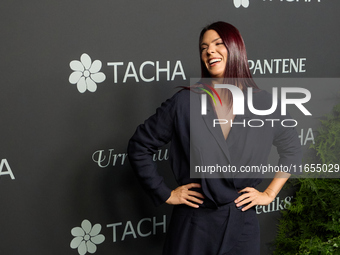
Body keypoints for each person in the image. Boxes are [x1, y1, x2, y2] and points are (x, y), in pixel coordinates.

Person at [128, 21, 301, 255]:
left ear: (236, 48)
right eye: (203, 47)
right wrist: (165, 193)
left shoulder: (266, 104)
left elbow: (292, 149)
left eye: (218, 44)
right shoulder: (185, 102)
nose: (209, 51)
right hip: (193, 222)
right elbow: (140, 145)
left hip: (242, 224)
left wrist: (269, 194)